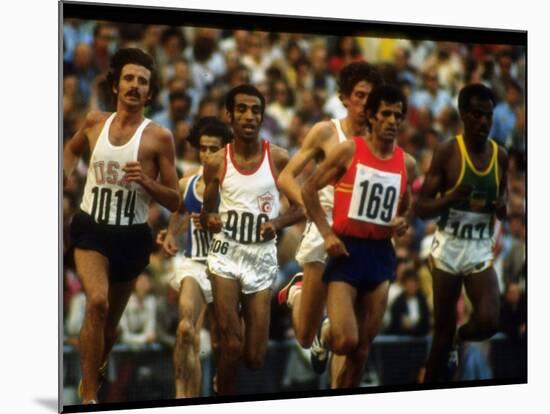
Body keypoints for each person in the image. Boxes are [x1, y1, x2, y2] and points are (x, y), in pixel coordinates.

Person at [63, 48, 179, 404]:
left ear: (149, 92)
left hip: (131, 236)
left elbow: (175, 199)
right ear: (116, 85)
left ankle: (96, 367)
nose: (134, 86)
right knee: (95, 303)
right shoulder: (94, 121)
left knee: (109, 327)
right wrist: (63, 177)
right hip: (91, 228)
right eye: (128, 78)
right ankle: (89, 397)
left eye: (142, 82)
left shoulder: (159, 137)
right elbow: (70, 150)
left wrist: (147, 181)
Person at [301, 84, 416, 388]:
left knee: (362, 350)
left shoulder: (407, 163)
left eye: (398, 116)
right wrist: (326, 234)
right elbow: (309, 188)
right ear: (373, 117)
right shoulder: (349, 150)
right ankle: (323, 335)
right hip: (347, 251)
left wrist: (402, 221)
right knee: (345, 340)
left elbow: (406, 204)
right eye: (386, 114)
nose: (392, 121)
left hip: (380, 254)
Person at [276, 61, 383, 380]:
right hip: (325, 233)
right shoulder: (326, 131)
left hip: (361, 240)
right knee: (304, 336)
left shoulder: (380, 140)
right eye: (360, 95)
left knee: (351, 340)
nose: (365, 103)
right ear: (345, 98)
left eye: (370, 97)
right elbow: (286, 176)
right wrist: (308, 209)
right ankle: (296, 293)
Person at [200, 84, 301, 395]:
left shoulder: (279, 158)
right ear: (230, 115)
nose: (249, 116)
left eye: (256, 110)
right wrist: (211, 219)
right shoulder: (216, 162)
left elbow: (302, 207)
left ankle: (225, 349)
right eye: (242, 109)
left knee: (254, 357)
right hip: (226, 253)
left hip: (261, 257)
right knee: (231, 344)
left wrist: (278, 222)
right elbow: (205, 212)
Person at [413, 83, 508, 383]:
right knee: (440, 333)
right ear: (464, 116)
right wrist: (450, 198)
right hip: (449, 247)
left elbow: (502, 198)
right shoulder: (447, 151)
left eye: (488, 116)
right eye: (477, 115)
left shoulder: (500, 156)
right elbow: (421, 207)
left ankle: (459, 337)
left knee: (490, 321)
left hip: (479, 247)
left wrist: (501, 208)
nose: (484, 122)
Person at [157, 117, 233, 397]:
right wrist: (169, 235)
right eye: (203, 148)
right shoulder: (187, 181)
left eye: (214, 148)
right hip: (195, 264)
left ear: (225, 150)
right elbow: (179, 210)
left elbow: (247, 227)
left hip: (226, 267)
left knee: (218, 344)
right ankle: (180, 397)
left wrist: (219, 224)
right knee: (185, 329)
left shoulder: (235, 187)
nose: (207, 154)